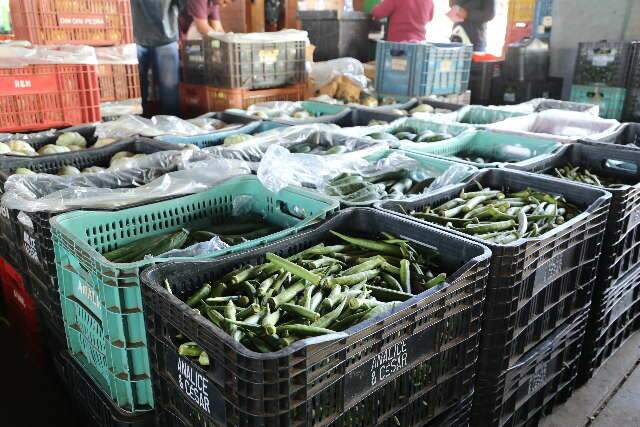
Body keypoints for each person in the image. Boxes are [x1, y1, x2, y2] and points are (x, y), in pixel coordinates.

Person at [130, 0, 181, 117]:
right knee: (167, 86)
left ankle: (142, 122)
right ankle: (169, 124)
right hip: (162, 34)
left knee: (138, 84)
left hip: (139, 33)